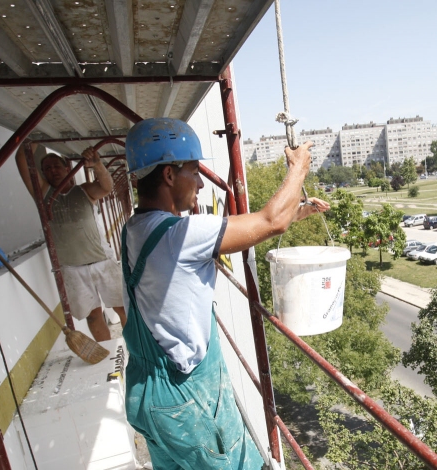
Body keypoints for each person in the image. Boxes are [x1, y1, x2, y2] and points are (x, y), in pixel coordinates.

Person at [121, 117, 329, 469]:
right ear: (169, 175)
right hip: (186, 401)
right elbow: (268, 222)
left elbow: (241, 231)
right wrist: (298, 170)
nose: (200, 183)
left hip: (146, 393)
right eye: (193, 170)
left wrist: (299, 212)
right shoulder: (180, 235)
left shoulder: (136, 228)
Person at [16, 143, 126, 341]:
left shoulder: (84, 191)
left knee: (122, 307)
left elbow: (106, 187)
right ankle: (109, 353)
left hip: (102, 261)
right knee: (93, 316)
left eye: (56, 166)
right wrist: (35, 137)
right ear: (42, 174)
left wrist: (97, 165)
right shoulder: (43, 194)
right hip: (72, 269)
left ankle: (137, 350)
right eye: (47, 169)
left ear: (67, 168)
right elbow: (21, 160)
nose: (53, 171)